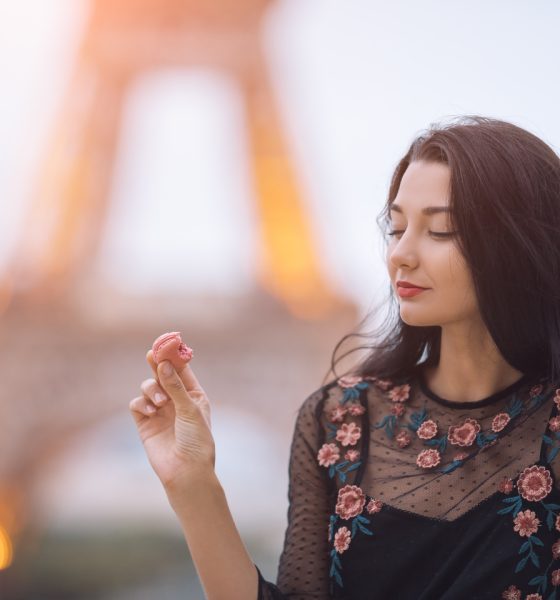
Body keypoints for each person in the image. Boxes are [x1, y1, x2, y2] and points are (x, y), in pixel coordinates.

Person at [129, 116, 560, 600]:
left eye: (440, 231)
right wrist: (192, 482)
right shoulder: (338, 420)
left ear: (519, 246)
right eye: (396, 229)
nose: (401, 254)